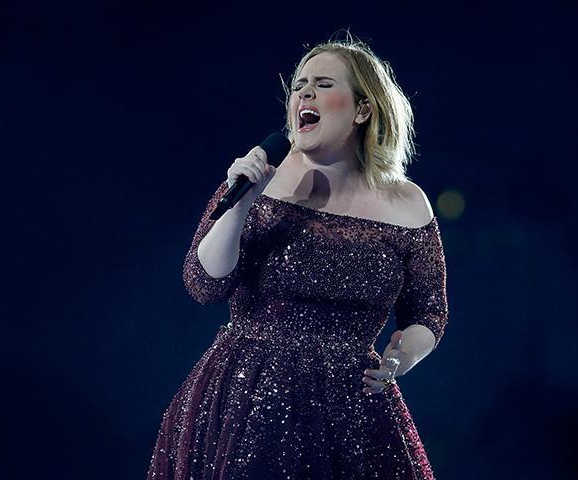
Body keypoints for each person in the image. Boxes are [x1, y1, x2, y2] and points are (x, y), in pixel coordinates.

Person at [146, 35, 449, 479]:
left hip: (352, 407)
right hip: (247, 399)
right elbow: (203, 282)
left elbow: (428, 312)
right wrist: (243, 202)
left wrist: (401, 358)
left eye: (323, 84)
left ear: (363, 110)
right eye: (299, 86)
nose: (305, 94)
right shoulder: (261, 177)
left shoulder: (407, 203)